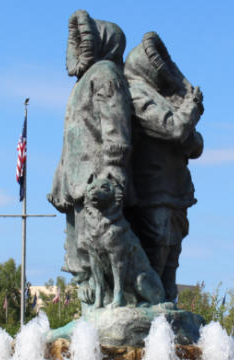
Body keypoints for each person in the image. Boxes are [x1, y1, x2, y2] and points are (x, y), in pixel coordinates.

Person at [47, 9, 134, 306]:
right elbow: (73, 134)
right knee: (81, 247)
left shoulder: (107, 73)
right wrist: (61, 177)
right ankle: (93, 307)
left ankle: (107, 306)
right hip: (76, 181)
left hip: (96, 181)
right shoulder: (84, 80)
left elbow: (116, 131)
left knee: (101, 247)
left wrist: (111, 175)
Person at [123, 32, 204, 302]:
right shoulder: (135, 94)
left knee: (171, 272)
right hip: (152, 194)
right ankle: (148, 328)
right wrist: (190, 108)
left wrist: (185, 121)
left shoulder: (159, 97)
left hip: (176, 195)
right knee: (154, 266)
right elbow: (176, 128)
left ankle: (169, 332)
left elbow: (195, 144)